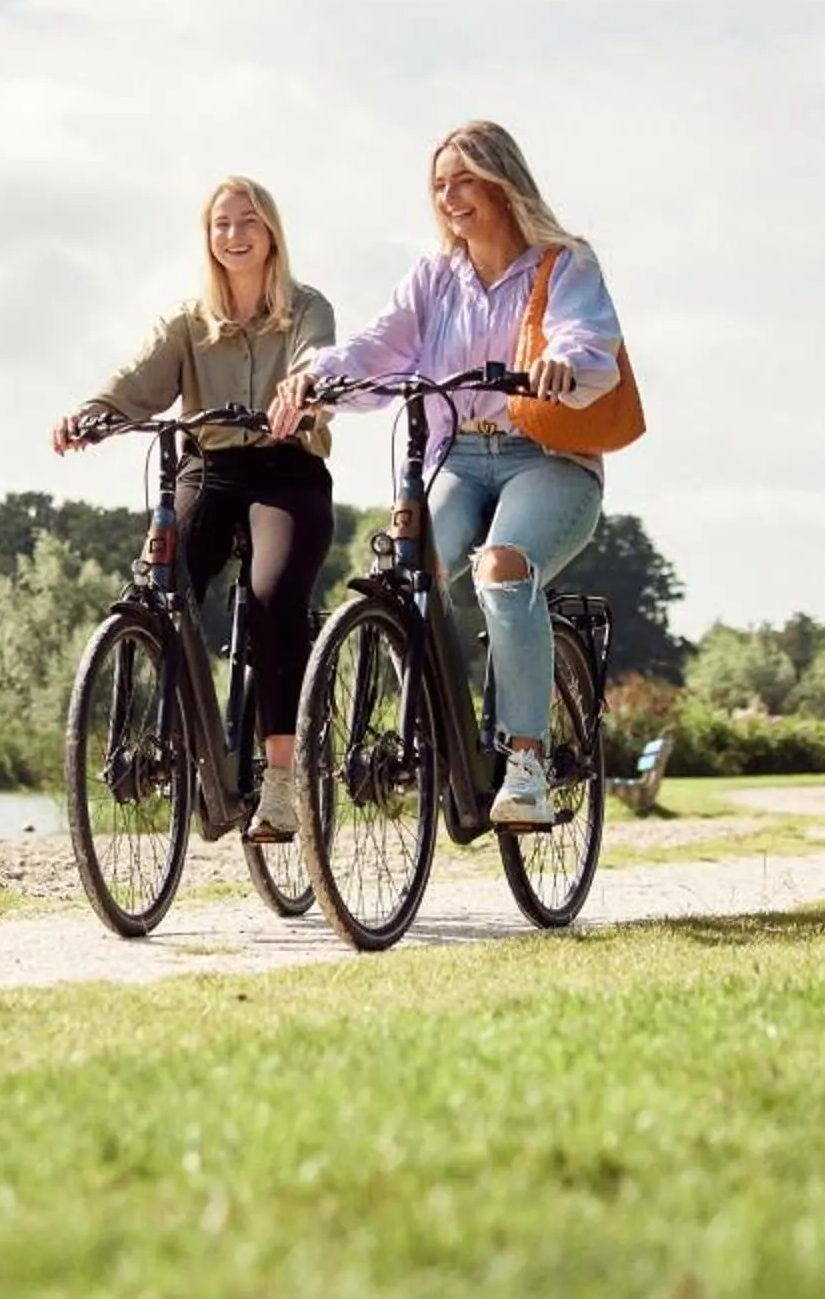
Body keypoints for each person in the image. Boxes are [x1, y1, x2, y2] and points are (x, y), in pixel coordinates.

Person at [269, 121, 626, 828]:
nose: (450, 196)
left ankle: (526, 764)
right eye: (439, 184)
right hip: (455, 455)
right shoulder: (434, 278)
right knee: (408, 572)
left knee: (502, 568)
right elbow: (379, 346)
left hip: (547, 458)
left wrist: (561, 362)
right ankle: (442, 734)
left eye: (464, 180)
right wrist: (318, 374)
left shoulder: (562, 263)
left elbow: (588, 337)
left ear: (502, 182)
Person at [54, 177, 337, 842]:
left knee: (272, 598)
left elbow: (318, 361)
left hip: (287, 472)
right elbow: (136, 381)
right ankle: (186, 746)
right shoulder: (188, 322)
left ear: (271, 232)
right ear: (208, 238)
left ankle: (281, 778)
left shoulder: (306, 308)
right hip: (209, 470)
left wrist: (304, 388)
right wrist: (91, 414)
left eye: (248, 222)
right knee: (158, 587)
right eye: (221, 224)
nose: (234, 235)